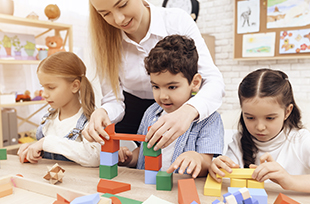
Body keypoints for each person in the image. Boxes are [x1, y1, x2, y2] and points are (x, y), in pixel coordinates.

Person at [82, 0, 225, 151]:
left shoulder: (176, 21)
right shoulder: (104, 41)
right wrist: (103, 112)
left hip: (178, 109)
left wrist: (188, 111)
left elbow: (213, 80)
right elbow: (113, 100)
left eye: (122, 5)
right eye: (105, 14)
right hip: (130, 114)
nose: (119, 19)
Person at [118, 35, 224, 178]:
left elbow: (207, 163)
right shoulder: (151, 112)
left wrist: (197, 158)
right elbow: (143, 150)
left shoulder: (210, 119)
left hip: (180, 190)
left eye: (172, 87)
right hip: (147, 187)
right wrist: (129, 158)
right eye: (156, 86)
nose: (162, 96)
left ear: (195, 82)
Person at [209, 68, 310, 193]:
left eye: (270, 118)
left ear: (287, 112)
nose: (260, 127)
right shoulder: (238, 142)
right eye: (250, 117)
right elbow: (226, 176)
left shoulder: (302, 141)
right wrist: (216, 168)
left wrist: (289, 180)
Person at [17, 52, 101, 167]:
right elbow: (47, 147)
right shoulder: (48, 118)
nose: (45, 94)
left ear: (75, 86)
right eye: (43, 87)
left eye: (51, 87)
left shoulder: (90, 120)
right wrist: (33, 148)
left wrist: (46, 143)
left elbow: (95, 158)